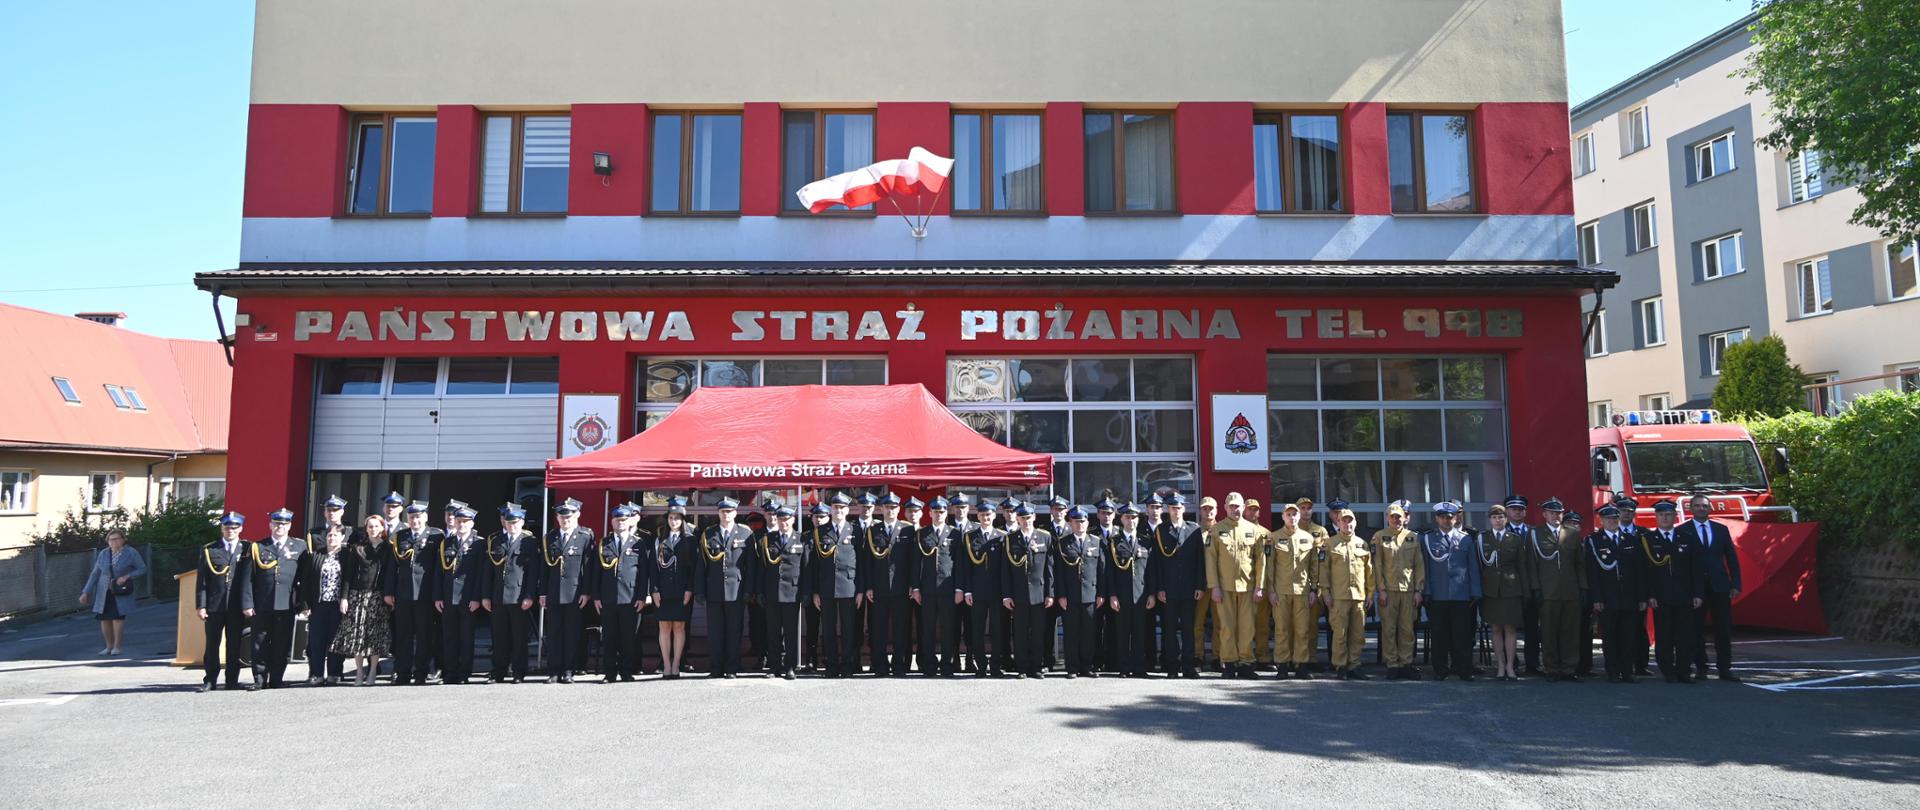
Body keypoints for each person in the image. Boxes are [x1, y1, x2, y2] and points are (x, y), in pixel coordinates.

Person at [1681, 493, 1742, 682]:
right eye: (1697, 505)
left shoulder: (1721, 529)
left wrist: (1736, 583)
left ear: (1709, 508)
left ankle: (1725, 668)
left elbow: (1731, 557)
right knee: (1695, 629)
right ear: (1690, 508)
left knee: (1723, 629)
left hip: (1720, 586)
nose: (1701, 508)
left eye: (1704, 506)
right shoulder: (1683, 530)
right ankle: (1701, 667)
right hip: (1695, 588)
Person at [1524, 500, 1587, 682]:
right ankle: (1552, 668)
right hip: (1547, 591)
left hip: (1570, 590)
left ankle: (1569, 668)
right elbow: (1531, 564)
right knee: (1549, 632)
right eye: (1551, 513)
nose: (1555, 516)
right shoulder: (1535, 533)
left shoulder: (1572, 533)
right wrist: (1536, 588)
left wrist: (1583, 587)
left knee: (1570, 632)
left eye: (1558, 512)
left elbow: (1579, 563)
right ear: (1544, 514)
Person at [1207, 492, 1268, 678]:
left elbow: (1261, 561)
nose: (1235, 509)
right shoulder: (1216, 530)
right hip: (1224, 588)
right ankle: (1229, 663)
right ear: (1225, 508)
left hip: (1248, 588)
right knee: (1227, 627)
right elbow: (1211, 561)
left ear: (1243, 507)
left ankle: (1246, 663)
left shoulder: (1253, 530)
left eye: (1238, 506)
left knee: (1247, 628)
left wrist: (1260, 586)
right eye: (1232, 506)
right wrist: (1214, 587)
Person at [478, 503, 540, 684]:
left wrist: (529, 595)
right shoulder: (496, 540)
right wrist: (485, 595)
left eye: (515, 522)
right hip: (498, 596)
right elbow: (488, 571)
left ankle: (519, 672)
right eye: (509, 522)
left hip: (519, 596)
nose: (512, 525)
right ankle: (498, 671)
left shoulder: (529, 542)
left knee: (519, 638)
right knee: (499, 637)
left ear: (522, 522)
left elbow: (533, 572)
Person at [1420, 502, 1482, 681]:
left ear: (1456, 518)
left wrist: (1475, 591)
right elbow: (1425, 568)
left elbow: (1472, 567)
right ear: (1436, 519)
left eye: (1449, 517)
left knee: (1462, 635)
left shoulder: (1465, 539)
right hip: (1437, 594)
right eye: (1442, 517)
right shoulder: (1427, 539)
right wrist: (1426, 591)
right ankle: (1440, 670)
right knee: (1439, 635)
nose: (1446, 520)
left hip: (1461, 594)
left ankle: (1464, 669)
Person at [1643, 500, 1703, 683]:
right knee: (1664, 637)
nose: (1665, 518)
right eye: (1661, 515)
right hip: (1661, 597)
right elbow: (1645, 571)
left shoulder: (1687, 538)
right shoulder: (1648, 540)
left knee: (1686, 637)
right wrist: (1650, 594)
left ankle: (1684, 670)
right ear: (1656, 517)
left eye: (1668, 515)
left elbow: (1696, 569)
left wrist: (1698, 593)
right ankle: (1668, 671)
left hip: (1685, 596)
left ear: (1675, 516)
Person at [251, 508, 310, 689]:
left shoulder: (299, 546)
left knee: (281, 643)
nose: (280, 527)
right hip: (262, 603)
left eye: (284, 524)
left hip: (287, 603)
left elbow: (304, 578)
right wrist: (248, 603)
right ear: (270, 525)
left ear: (289, 526)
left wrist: (303, 604)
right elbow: (249, 578)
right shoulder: (258, 546)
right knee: (259, 642)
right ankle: (259, 679)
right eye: (277, 524)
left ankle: (276, 679)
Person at [1587, 505, 1646, 683]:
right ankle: (1612, 671)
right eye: (1608, 519)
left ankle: (1628, 671)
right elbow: (1592, 573)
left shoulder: (1631, 539)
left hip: (1629, 596)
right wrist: (1597, 598)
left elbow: (1639, 571)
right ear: (1601, 520)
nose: (1612, 521)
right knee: (1610, 636)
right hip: (1607, 597)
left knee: (1629, 636)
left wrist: (1642, 596)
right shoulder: (1594, 540)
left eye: (1615, 518)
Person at [592, 502, 649, 682]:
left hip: (630, 598)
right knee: (609, 638)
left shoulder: (638, 543)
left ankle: (626, 672)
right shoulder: (604, 543)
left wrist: (642, 596)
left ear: (629, 521)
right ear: (612, 521)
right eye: (617, 520)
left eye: (623, 520)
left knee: (628, 638)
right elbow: (596, 572)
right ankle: (609, 673)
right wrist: (596, 596)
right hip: (608, 598)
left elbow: (644, 573)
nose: (620, 523)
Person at [384, 501, 440, 685]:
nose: (415, 520)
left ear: (425, 517)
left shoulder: (436, 536)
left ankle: (421, 672)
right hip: (404, 593)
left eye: (418, 517)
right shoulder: (400, 536)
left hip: (425, 594)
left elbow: (439, 569)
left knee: (424, 635)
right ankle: (403, 672)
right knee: (403, 636)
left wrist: (437, 594)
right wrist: (389, 591)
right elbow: (392, 566)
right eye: (411, 517)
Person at [697, 497, 753, 678]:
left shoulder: (745, 533)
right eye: (723, 511)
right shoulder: (708, 534)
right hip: (714, 590)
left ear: (735, 513)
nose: (726, 515)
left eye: (729, 511)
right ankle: (716, 667)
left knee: (734, 632)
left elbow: (750, 565)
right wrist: (700, 590)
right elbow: (701, 565)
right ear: (718, 513)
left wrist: (749, 590)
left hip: (736, 590)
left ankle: (732, 667)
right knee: (715, 632)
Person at [860, 492, 914, 677]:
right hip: (879, 588)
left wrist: (912, 584)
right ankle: (880, 665)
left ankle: (899, 665)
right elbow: (867, 561)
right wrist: (868, 586)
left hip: (901, 587)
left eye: (893, 507)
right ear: (881, 509)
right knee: (878, 629)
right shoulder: (873, 531)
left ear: (898, 509)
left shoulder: (908, 530)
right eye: (887, 507)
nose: (890, 510)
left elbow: (913, 561)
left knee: (900, 629)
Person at [1150, 494, 1204, 678]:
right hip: (1169, 590)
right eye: (1173, 508)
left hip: (1189, 589)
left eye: (1179, 508)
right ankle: (1172, 667)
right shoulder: (1161, 530)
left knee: (1189, 629)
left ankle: (1188, 666)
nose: (1176, 511)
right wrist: (1160, 588)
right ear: (1168, 510)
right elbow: (1157, 563)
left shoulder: (1194, 529)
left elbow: (1200, 560)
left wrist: (1200, 586)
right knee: (1169, 629)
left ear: (1184, 509)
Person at [540, 498, 593, 684]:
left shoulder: (585, 536)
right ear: (557, 517)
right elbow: (544, 568)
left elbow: (588, 567)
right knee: (554, 634)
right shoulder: (550, 537)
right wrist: (543, 593)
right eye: (562, 517)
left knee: (572, 634)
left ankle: (569, 670)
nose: (565, 520)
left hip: (574, 594)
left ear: (577, 515)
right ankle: (554, 671)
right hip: (554, 593)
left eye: (569, 517)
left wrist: (586, 592)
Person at [809, 497, 863, 678]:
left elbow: (861, 562)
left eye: (842, 507)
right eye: (835, 507)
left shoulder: (855, 530)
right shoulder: (820, 531)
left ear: (847, 510)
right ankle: (831, 665)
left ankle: (847, 665)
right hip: (827, 586)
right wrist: (815, 591)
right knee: (829, 629)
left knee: (848, 629)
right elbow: (815, 564)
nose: (838, 510)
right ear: (830, 509)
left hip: (849, 586)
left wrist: (860, 589)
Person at [335, 514, 392, 686]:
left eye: (376, 526)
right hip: (357, 596)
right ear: (366, 529)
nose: (373, 529)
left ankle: (373, 670)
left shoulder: (389, 548)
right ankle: (359, 671)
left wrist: (389, 594)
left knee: (375, 636)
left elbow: (390, 573)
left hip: (378, 597)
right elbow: (348, 575)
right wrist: (344, 598)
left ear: (382, 528)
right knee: (357, 635)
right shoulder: (358, 548)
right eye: (370, 526)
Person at [1263, 503, 1318, 679]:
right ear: (1283, 517)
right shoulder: (1274, 538)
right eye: (1288, 514)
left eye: (1295, 514)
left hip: (1302, 591)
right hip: (1281, 592)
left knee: (1302, 630)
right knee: (1282, 630)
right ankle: (1282, 665)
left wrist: (1314, 589)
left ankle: (1301, 665)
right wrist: (1271, 591)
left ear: (1299, 516)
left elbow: (1314, 566)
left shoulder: (1308, 538)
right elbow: (1269, 567)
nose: (1292, 517)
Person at [1317, 508, 1373, 680]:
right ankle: (1340, 665)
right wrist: (1325, 593)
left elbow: (1369, 572)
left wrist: (1370, 594)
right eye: (1344, 521)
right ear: (1338, 523)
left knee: (1358, 635)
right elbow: (1323, 571)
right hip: (1338, 597)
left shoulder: (1362, 544)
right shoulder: (1329, 544)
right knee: (1340, 634)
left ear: (1355, 523)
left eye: (1350, 521)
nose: (1347, 524)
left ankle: (1354, 665)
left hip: (1358, 597)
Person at [196, 513, 249, 692]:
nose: (230, 531)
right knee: (212, 644)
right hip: (214, 605)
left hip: (236, 606)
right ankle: (210, 680)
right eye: (227, 528)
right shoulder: (209, 549)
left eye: (234, 528)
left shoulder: (247, 549)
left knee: (234, 645)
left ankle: (232, 681)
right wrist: (201, 605)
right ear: (222, 528)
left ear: (240, 529)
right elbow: (202, 582)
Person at [755, 504, 809, 680]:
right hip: (772, 592)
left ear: (793, 520)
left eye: (786, 519)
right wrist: (760, 591)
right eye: (780, 520)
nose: (783, 523)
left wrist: (805, 592)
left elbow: (806, 568)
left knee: (791, 633)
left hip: (792, 592)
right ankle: (774, 666)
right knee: (773, 632)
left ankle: (790, 667)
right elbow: (761, 568)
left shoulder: (801, 540)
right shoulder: (767, 539)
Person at [1001, 503, 1054, 679]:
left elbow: (1049, 569)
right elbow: (1005, 571)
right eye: (1022, 518)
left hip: (1039, 593)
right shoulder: (1010, 539)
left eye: (1028, 517)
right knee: (1020, 632)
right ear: (1017, 519)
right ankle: (1022, 667)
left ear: (1034, 517)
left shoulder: (1045, 537)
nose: (1026, 521)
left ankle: (1037, 666)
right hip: (1018, 594)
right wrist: (1007, 595)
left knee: (1039, 632)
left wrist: (1050, 593)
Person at [1371, 502, 1424, 680]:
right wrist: (1381, 589)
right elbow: (1377, 565)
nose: (1396, 520)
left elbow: (1419, 565)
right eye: (1392, 517)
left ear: (1404, 518)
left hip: (1408, 591)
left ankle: (1405, 663)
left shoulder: (1412, 537)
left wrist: (1418, 590)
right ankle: (1392, 664)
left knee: (1407, 629)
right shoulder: (1379, 536)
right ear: (1387, 518)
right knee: (1389, 629)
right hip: (1388, 591)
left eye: (1399, 517)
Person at [1478, 504, 1530, 681]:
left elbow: (1522, 566)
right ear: (1489, 520)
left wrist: (1525, 591)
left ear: (1506, 519)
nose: (1497, 520)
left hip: (1511, 588)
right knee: (1495, 628)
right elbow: (1479, 566)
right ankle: (1500, 665)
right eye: (1494, 517)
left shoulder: (1514, 539)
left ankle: (1510, 666)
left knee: (1510, 628)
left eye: (1500, 517)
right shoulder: (1482, 538)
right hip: (1490, 590)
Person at [1102, 503, 1154, 678]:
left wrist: (1151, 594)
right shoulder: (1114, 542)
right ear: (1121, 519)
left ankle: (1139, 667)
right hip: (1121, 595)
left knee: (1140, 633)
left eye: (1134, 517)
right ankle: (1124, 667)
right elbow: (1109, 571)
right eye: (1127, 517)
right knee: (1122, 633)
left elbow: (1151, 571)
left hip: (1141, 595)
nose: (1131, 520)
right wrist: (1112, 595)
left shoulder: (1146, 541)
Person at [1052, 506, 1102, 679]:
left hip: (1091, 595)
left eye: (1082, 521)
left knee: (1089, 633)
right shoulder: (1063, 543)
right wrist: (1061, 595)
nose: (1079, 525)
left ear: (1087, 523)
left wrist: (1101, 594)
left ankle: (1087, 666)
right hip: (1070, 596)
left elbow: (1102, 571)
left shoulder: (1096, 542)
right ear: (1070, 523)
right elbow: (1058, 572)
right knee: (1071, 633)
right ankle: (1072, 667)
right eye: (1076, 522)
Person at [79, 528, 145, 656]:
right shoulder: (103, 554)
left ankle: (117, 647)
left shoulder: (131, 553)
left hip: (120, 591)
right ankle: (108, 646)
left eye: (116, 539)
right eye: (110, 539)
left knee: (117, 618)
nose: (113, 542)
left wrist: (127, 576)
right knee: (104, 619)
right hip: (103, 591)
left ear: (123, 540)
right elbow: (95, 574)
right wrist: (86, 592)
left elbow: (142, 568)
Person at [960, 499, 1008, 677]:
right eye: (982, 515)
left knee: (997, 630)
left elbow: (1005, 568)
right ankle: (980, 665)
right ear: (977, 516)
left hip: (997, 591)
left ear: (994, 515)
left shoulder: (1002, 536)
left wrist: (1006, 593)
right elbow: (966, 567)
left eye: (988, 514)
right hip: (977, 591)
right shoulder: (969, 537)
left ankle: (995, 665)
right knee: (977, 629)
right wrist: (967, 590)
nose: (985, 518)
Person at [652, 496, 697, 679]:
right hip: (663, 590)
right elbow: (653, 567)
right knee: (664, 626)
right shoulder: (659, 538)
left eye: (677, 518)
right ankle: (666, 665)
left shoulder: (691, 539)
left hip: (682, 590)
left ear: (683, 519)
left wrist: (689, 589)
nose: (674, 521)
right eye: (671, 518)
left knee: (679, 627)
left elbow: (693, 568)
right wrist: (654, 589)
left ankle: (677, 664)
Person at [1613, 496, 1655, 677]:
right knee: (1619, 629)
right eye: (1623, 510)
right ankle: (1620, 664)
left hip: (1638, 589)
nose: (1626, 514)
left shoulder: (1644, 534)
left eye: (1630, 511)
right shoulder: (1611, 532)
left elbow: (1648, 566)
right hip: (1616, 590)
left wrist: (1646, 593)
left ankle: (1641, 665)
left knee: (1639, 629)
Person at [303, 525, 351, 685]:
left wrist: (345, 598)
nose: (332, 538)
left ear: (342, 537)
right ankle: (317, 674)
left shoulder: (347, 555)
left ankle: (334, 673)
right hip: (319, 604)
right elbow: (306, 581)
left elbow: (348, 580)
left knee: (336, 640)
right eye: (330, 535)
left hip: (338, 605)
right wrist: (305, 604)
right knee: (317, 640)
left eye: (336, 535)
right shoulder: (316, 555)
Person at [1505, 496, 1546, 677]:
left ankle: (1532, 664)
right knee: (1509, 626)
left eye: (1520, 509)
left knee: (1532, 628)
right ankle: (1511, 664)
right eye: (1513, 509)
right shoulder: (1501, 531)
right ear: (1507, 511)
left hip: (1530, 586)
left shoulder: (1534, 532)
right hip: (1508, 587)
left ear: (1525, 512)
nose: (1517, 512)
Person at [1192, 496, 1219, 672]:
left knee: (1220, 623)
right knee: (1198, 623)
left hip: (1218, 584)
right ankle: (1198, 657)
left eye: (1211, 508)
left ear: (1216, 510)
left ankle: (1218, 657)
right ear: (1200, 511)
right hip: (1201, 584)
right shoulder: (1193, 531)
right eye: (1204, 509)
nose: (1208, 512)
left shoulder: (1222, 530)